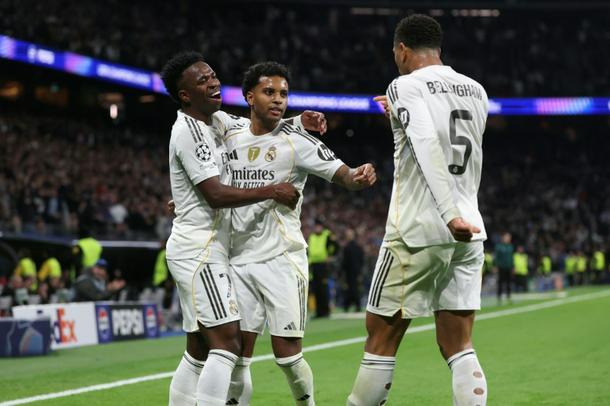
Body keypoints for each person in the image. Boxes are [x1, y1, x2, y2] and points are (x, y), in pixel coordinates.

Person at [159, 51, 323, 406]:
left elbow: (254, 126)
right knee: (227, 344)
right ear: (185, 95)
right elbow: (216, 195)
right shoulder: (191, 132)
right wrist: (272, 190)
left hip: (208, 247)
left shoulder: (214, 122)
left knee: (198, 349)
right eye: (202, 80)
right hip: (200, 251)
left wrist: (297, 120)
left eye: (212, 75)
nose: (213, 82)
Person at [347, 15, 488, 406]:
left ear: (402, 49)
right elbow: (448, 137)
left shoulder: (404, 85)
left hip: (419, 229)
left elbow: (427, 143)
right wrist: (398, 116)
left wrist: (447, 214)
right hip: (470, 230)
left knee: (381, 335)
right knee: (458, 343)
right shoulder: (476, 90)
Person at [223, 61, 376, 405]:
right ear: (249, 97)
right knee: (237, 355)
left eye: (283, 93)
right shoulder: (229, 134)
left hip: (281, 258)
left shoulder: (298, 142)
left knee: (287, 356)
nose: (278, 99)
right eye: (269, 92)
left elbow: (344, 175)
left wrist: (359, 174)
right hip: (238, 259)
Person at [307, 219, 337, 318]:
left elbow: (336, 246)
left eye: (319, 226)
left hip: (323, 265)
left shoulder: (327, 235)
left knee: (324, 289)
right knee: (316, 289)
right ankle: (319, 312)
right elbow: (309, 251)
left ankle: (326, 311)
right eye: (316, 226)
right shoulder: (311, 237)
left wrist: (330, 256)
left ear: (322, 227)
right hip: (313, 266)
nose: (317, 228)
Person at [341, 228, 365, 312]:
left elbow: (345, 262)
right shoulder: (358, 247)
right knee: (355, 289)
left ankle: (348, 306)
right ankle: (355, 305)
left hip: (349, 272)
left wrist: (342, 271)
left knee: (350, 289)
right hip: (356, 272)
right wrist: (360, 272)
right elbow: (362, 260)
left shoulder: (347, 248)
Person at [494, 232, 514, 302]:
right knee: (500, 282)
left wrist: (513, 266)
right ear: (503, 238)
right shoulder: (499, 246)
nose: (508, 238)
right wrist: (495, 266)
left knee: (509, 282)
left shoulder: (510, 246)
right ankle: (499, 296)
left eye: (509, 237)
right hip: (501, 267)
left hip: (508, 267)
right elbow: (496, 257)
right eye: (506, 237)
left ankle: (508, 296)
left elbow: (511, 258)